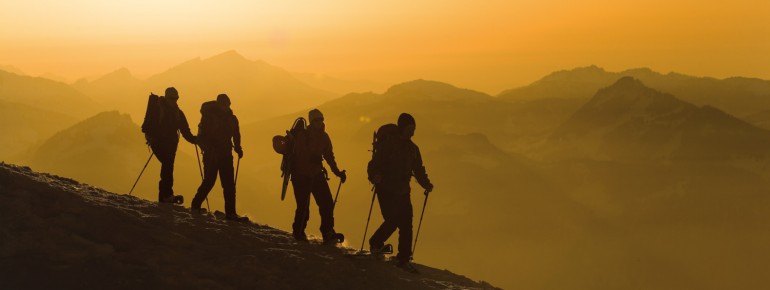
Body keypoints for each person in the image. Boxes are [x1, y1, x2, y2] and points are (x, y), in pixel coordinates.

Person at [367, 113, 433, 273]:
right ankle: (376, 242)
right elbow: (374, 164)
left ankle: (403, 257)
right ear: (402, 128)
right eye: (410, 129)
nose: (413, 132)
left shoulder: (413, 149)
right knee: (394, 220)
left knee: (406, 223)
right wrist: (374, 176)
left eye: (414, 129)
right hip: (386, 189)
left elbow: (418, 169)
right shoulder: (389, 145)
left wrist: (426, 184)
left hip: (402, 191)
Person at [290, 109, 347, 244]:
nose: (320, 122)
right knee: (304, 206)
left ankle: (328, 231)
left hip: (315, 174)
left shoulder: (324, 137)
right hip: (301, 175)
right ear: (311, 121)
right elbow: (300, 154)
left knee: (327, 203)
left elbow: (329, 156)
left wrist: (337, 172)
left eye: (321, 119)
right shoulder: (303, 135)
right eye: (317, 120)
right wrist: (312, 159)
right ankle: (298, 232)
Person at [190, 94, 246, 221]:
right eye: (224, 105)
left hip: (223, 154)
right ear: (218, 104)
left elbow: (236, 134)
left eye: (227, 105)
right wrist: (236, 148)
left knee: (227, 184)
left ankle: (229, 212)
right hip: (213, 155)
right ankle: (197, 205)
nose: (226, 107)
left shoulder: (230, 119)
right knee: (213, 182)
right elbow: (234, 134)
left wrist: (238, 148)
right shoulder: (211, 117)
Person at [141, 87, 196, 204]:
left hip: (168, 145)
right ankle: (166, 196)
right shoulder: (160, 110)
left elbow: (185, 131)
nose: (174, 101)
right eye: (172, 98)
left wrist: (195, 140)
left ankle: (166, 196)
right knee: (167, 166)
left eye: (176, 98)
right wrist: (195, 140)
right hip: (159, 143)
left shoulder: (177, 112)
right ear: (166, 97)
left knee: (168, 167)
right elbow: (185, 131)